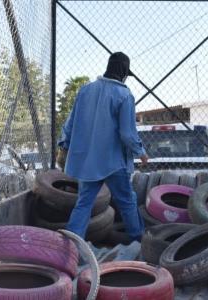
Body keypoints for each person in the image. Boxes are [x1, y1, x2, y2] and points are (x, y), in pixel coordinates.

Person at [57, 52, 148, 242]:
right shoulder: (125, 95)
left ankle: (72, 246)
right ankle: (139, 241)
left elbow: (71, 123)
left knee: (84, 203)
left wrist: (63, 145)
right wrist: (141, 152)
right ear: (123, 72)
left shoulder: (85, 90)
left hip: (89, 162)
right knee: (127, 202)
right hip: (114, 163)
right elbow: (127, 133)